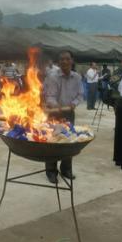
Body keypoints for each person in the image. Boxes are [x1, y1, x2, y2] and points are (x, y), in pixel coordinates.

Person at [43, 51, 84, 184]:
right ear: (58, 62)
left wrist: (74, 103)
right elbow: (49, 96)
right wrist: (58, 107)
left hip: (69, 113)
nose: (64, 62)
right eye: (61, 60)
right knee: (52, 142)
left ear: (72, 60)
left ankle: (66, 169)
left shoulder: (77, 77)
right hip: (55, 113)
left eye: (67, 59)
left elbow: (80, 95)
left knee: (68, 141)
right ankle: (51, 171)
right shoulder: (52, 77)